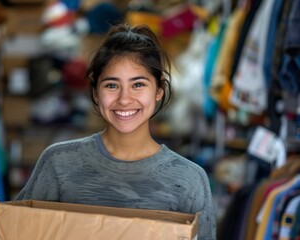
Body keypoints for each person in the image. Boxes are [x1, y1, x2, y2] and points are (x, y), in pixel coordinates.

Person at [15, 23, 216, 239]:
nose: (124, 99)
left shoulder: (189, 179)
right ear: (95, 93)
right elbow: (16, 231)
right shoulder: (58, 162)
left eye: (138, 84)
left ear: (159, 91)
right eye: (111, 85)